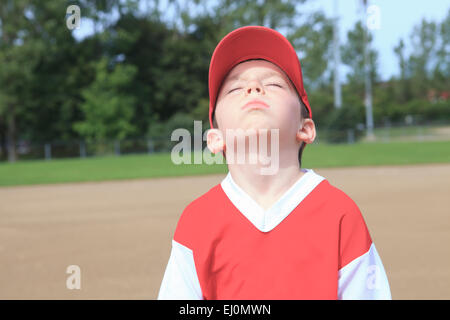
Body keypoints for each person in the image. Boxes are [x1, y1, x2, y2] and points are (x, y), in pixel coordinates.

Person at [158, 26, 391, 300]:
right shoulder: (197, 222)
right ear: (216, 139)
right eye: (234, 88)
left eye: (273, 84)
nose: (253, 87)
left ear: (305, 129)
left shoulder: (340, 214)